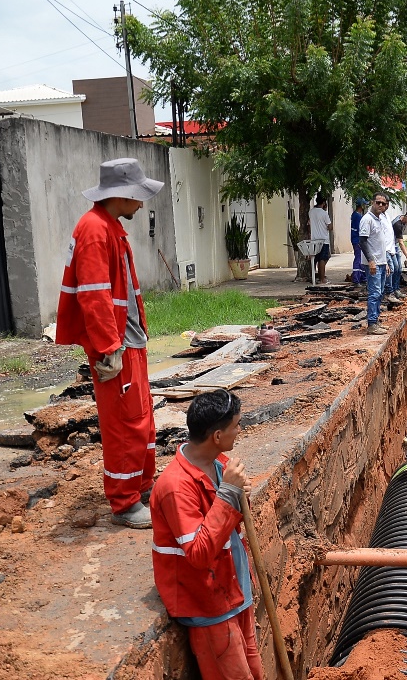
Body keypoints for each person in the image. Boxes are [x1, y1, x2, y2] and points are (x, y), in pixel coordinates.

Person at [56, 157, 163, 528]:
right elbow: (94, 295)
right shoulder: (95, 230)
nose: (142, 203)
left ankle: (143, 487)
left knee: (142, 419)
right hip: (116, 346)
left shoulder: (109, 227)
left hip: (129, 341)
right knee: (124, 424)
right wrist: (108, 348)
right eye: (139, 195)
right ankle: (124, 502)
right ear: (123, 194)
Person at [149, 389, 263, 680]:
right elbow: (198, 554)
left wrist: (239, 495)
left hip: (234, 587)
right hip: (209, 603)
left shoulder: (220, 465)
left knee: (253, 669)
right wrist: (228, 494)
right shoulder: (175, 487)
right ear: (216, 436)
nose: (239, 430)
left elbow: (231, 525)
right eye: (236, 425)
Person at [360, 192, 392, 335]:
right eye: (378, 202)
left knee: (379, 293)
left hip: (380, 262)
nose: (380, 205)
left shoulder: (379, 219)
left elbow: (379, 244)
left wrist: (384, 262)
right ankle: (372, 324)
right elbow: (362, 241)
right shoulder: (367, 219)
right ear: (372, 202)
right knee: (374, 293)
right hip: (372, 263)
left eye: (383, 203)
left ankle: (376, 321)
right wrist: (371, 261)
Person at [386, 209, 407, 300]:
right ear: (406, 216)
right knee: (394, 268)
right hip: (390, 246)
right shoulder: (397, 224)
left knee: (399, 269)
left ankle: (396, 289)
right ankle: (390, 291)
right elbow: (401, 243)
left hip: (394, 245)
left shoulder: (403, 221)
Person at [308, 195, 333, 284]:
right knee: (322, 259)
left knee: (315, 259)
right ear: (323, 203)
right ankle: (322, 279)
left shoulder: (311, 212)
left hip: (314, 239)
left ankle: (315, 277)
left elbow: (309, 223)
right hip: (324, 239)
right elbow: (330, 227)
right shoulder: (324, 213)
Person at [349, 198, 367, 285]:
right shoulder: (358, 217)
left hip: (356, 239)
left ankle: (362, 277)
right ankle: (356, 279)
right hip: (358, 240)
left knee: (361, 258)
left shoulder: (355, 215)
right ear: (361, 205)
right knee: (358, 258)